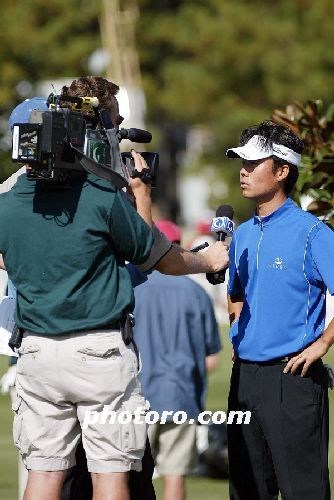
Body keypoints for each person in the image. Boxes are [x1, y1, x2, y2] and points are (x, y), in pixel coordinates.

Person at [0, 81, 229, 500]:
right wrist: (209, 260)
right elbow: (159, 258)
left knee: (44, 475)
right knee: (111, 476)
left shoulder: (8, 203)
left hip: (34, 353)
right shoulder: (100, 198)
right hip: (98, 354)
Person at [226, 120, 334, 500]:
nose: (243, 171)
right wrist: (238, 327)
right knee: (246, 490)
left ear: (283, 171)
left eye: (253, 164)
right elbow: (235, 292)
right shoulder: (241, 233)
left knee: (303, 491)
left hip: (292, 379)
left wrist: (322, 344)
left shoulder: (312, 233)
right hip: (244, 381)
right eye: (242, 162)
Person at [133, 219, 221, 500]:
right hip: (180, 395)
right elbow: (212, 358)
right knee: (174, 476)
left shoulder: (130, 287)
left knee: (128, 478)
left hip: (136, 394)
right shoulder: (196, 293)